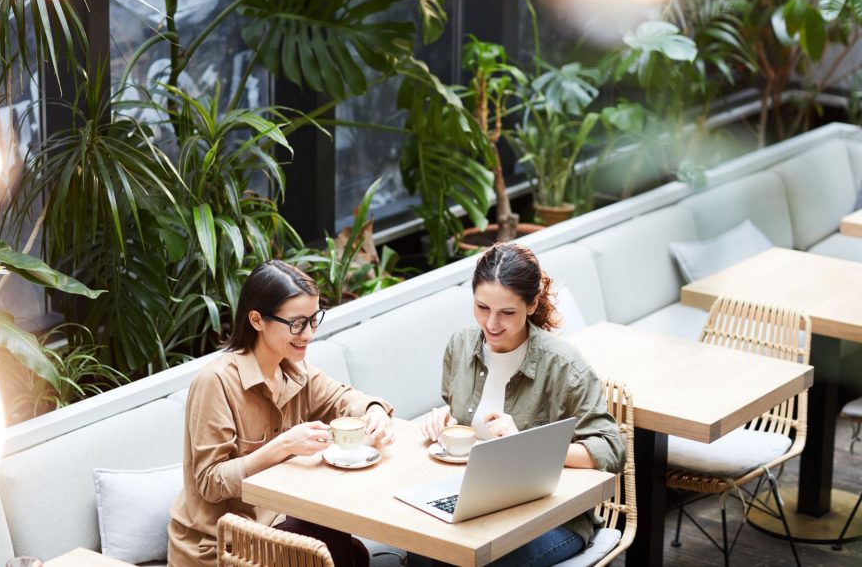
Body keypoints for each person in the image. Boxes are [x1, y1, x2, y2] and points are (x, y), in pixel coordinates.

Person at [168, 259, 396, 567]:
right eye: (296, 323)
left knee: (347, 547)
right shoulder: (216, 382)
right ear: (257, 320)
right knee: (336, 550)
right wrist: (285, 445)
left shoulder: (293, 369)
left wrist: (374, 410)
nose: (308, 334)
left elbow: (342, 398)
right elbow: (210, 481)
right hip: (220, 544)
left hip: (275, 524)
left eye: (314, 320)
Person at [415, 243, 624, 567]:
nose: (492, 324)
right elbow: (462, 425)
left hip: (553, 518)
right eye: (482, 307)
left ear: (532, 304)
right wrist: (443, 422)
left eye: (507, 312)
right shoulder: (460, 346)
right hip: (477, 504)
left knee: (484, 562)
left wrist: (526, 445)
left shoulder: (564, 365)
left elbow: (611, 451)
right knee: (422, 549)